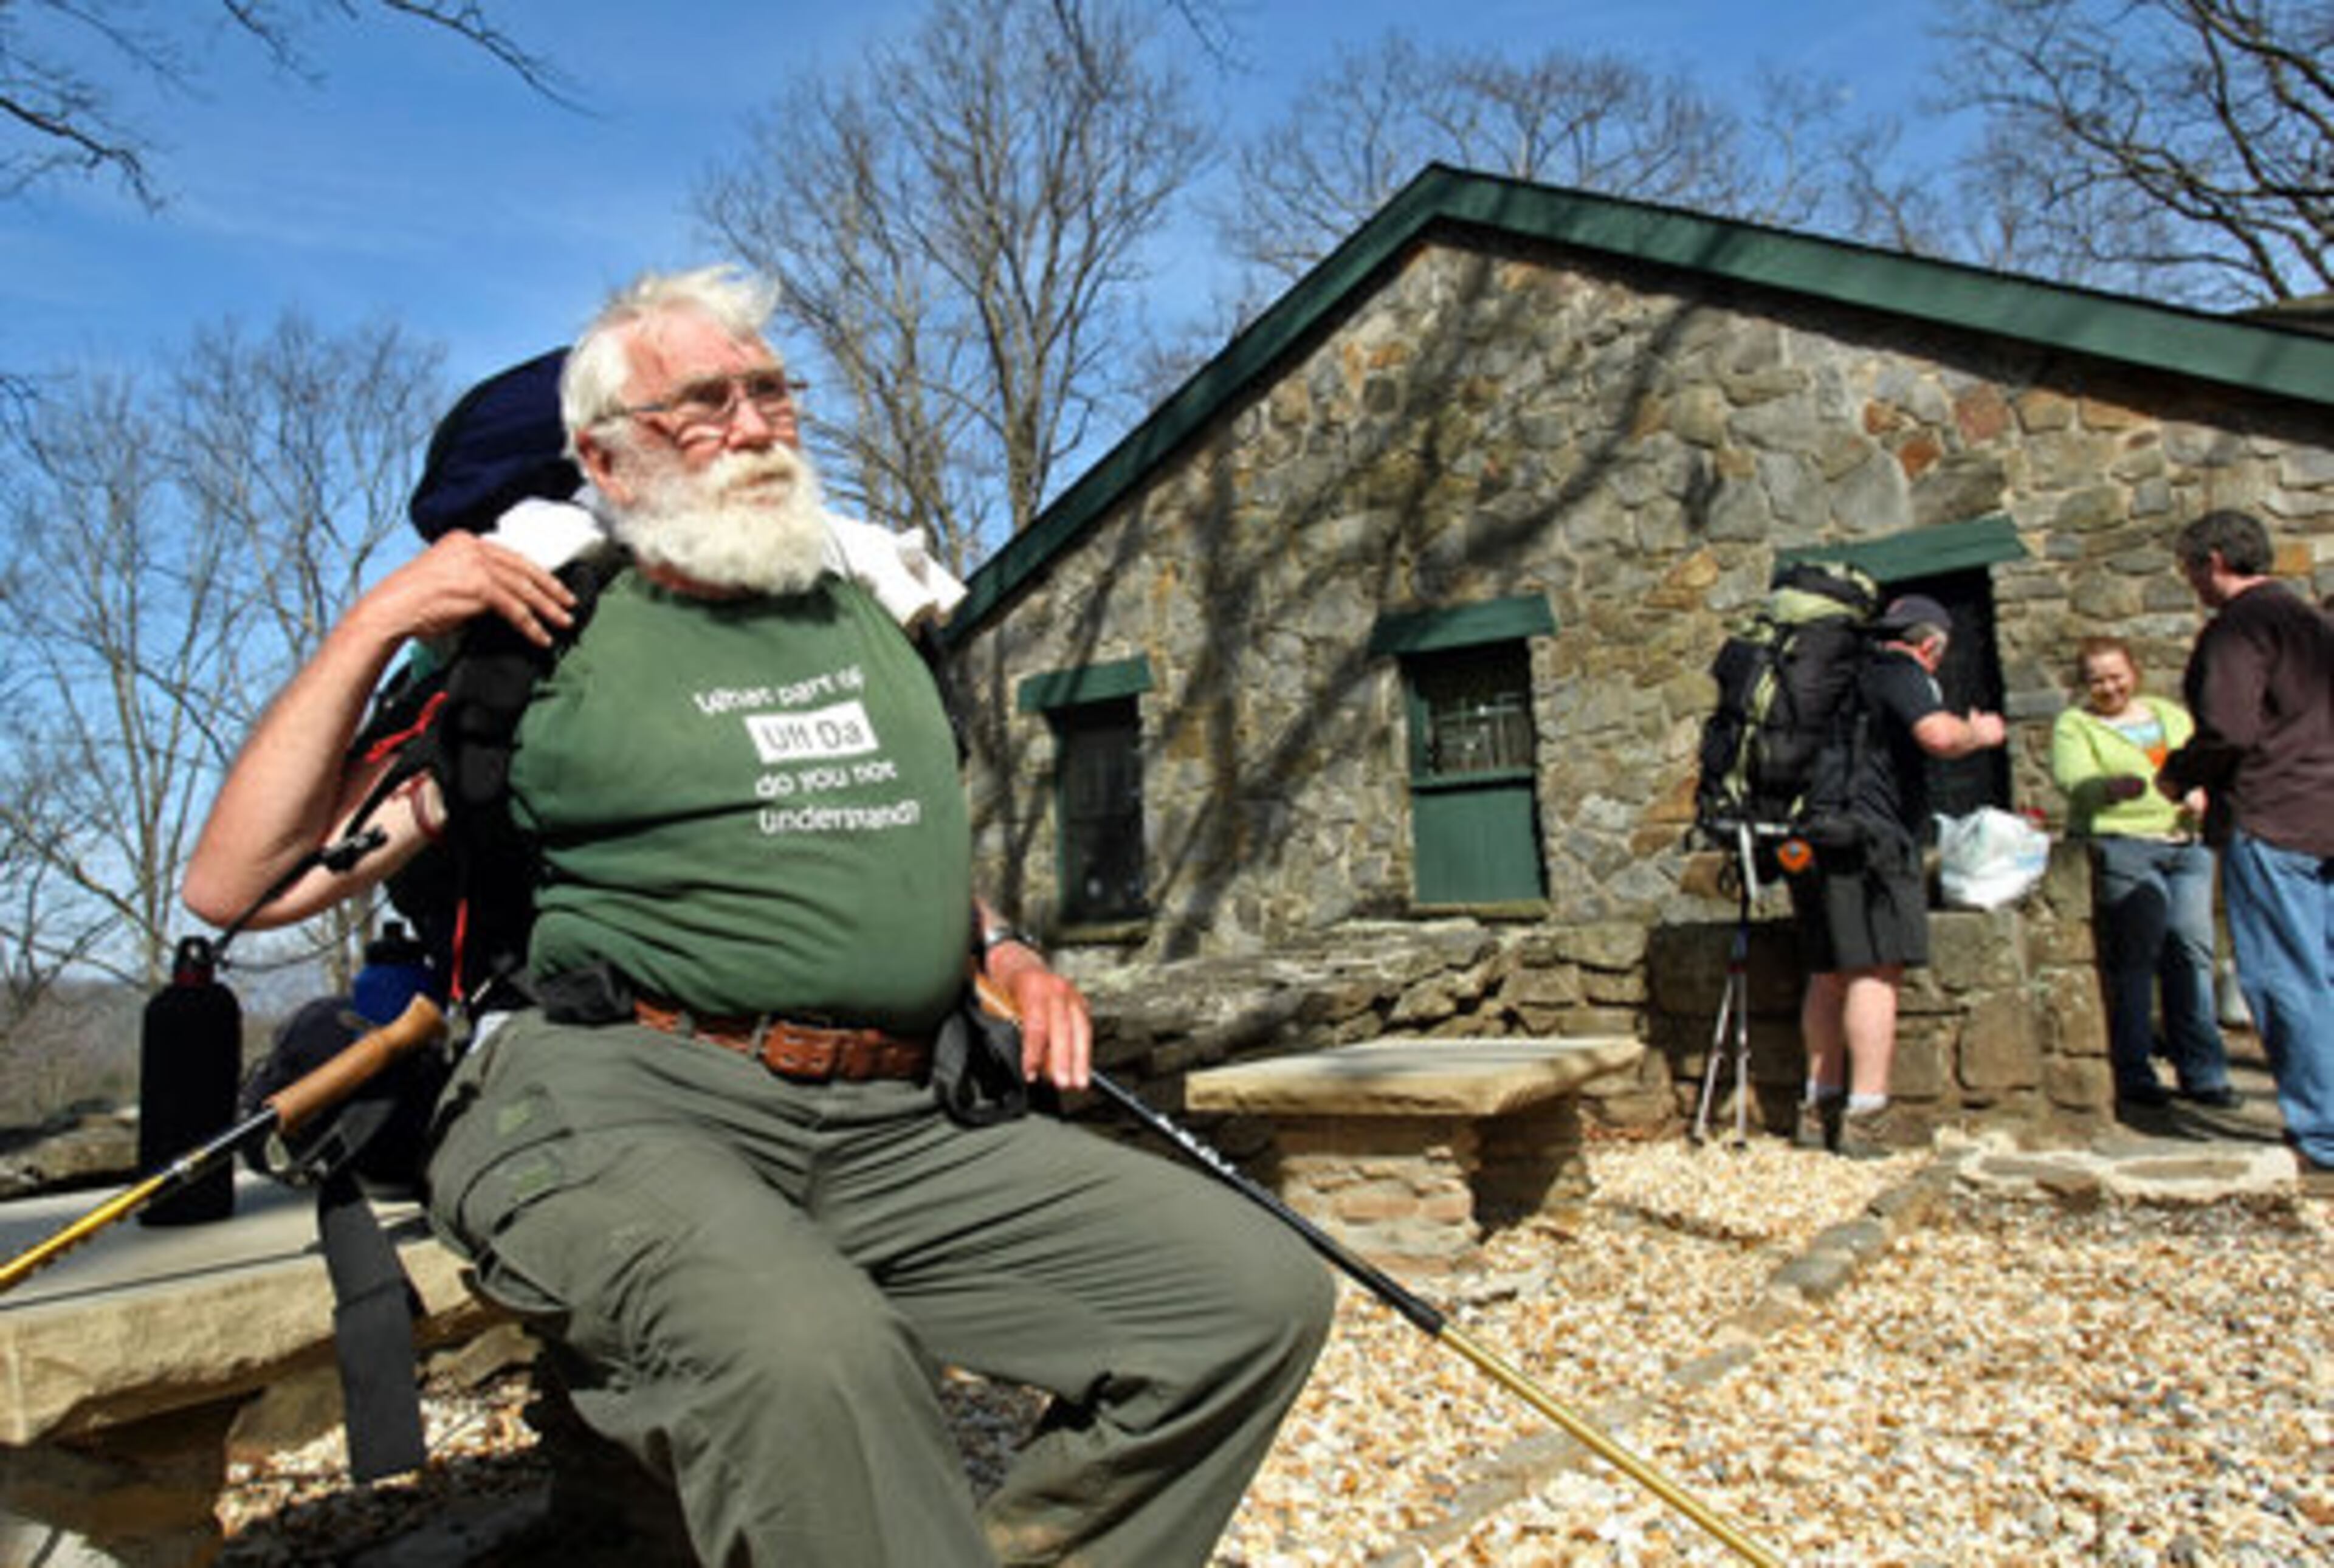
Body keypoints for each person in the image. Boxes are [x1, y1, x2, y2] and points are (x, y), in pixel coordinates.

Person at [182, 266, 1334, 1566]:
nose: (753, 421)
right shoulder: (542, 643)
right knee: (812, 1357)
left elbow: (851, 829)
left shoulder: (871, 614)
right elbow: (244, 889)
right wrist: (376, 621)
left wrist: (1001, 946)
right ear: (605, 460)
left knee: (1246, 1300)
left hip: (902, 1117)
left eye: (770, 388)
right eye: (700, 402)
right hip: (624, 1096)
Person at [1792, 593, 2008, 1158]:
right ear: (1931, 645)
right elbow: (1938, 736)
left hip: (1808, 837)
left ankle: (1817, 1107)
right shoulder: (1900, 671)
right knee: (1873, 971)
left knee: (1826, 970)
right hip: (1868, 840)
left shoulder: (1833, 678)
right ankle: (1865, 1114)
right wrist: (1979, 735)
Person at [2158, 509, 2334, 1191]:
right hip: (2327, 811)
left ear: (2214, 562)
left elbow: (2227, 729)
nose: (2193, 585)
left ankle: (2321, 1130)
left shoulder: (2239, 628)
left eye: (2192, 570)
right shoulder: (2316, 624)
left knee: (2288, 976)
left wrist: (2180, 772)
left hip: (2273, 815)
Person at [2049, 634, 2237, 1110]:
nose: (2109, 688)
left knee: (2192, 950)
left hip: (2186, 845)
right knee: (2138, 957)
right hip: (2125, 845)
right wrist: (2108, 787)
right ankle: (2136, 1072)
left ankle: (2204, 1072)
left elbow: (2202, 760)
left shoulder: (2169, 715)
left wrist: (2201, 792)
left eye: (2116, 677)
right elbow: (2073, 779)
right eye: (2097, 681)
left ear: (2133, 673)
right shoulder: (2076, 725)